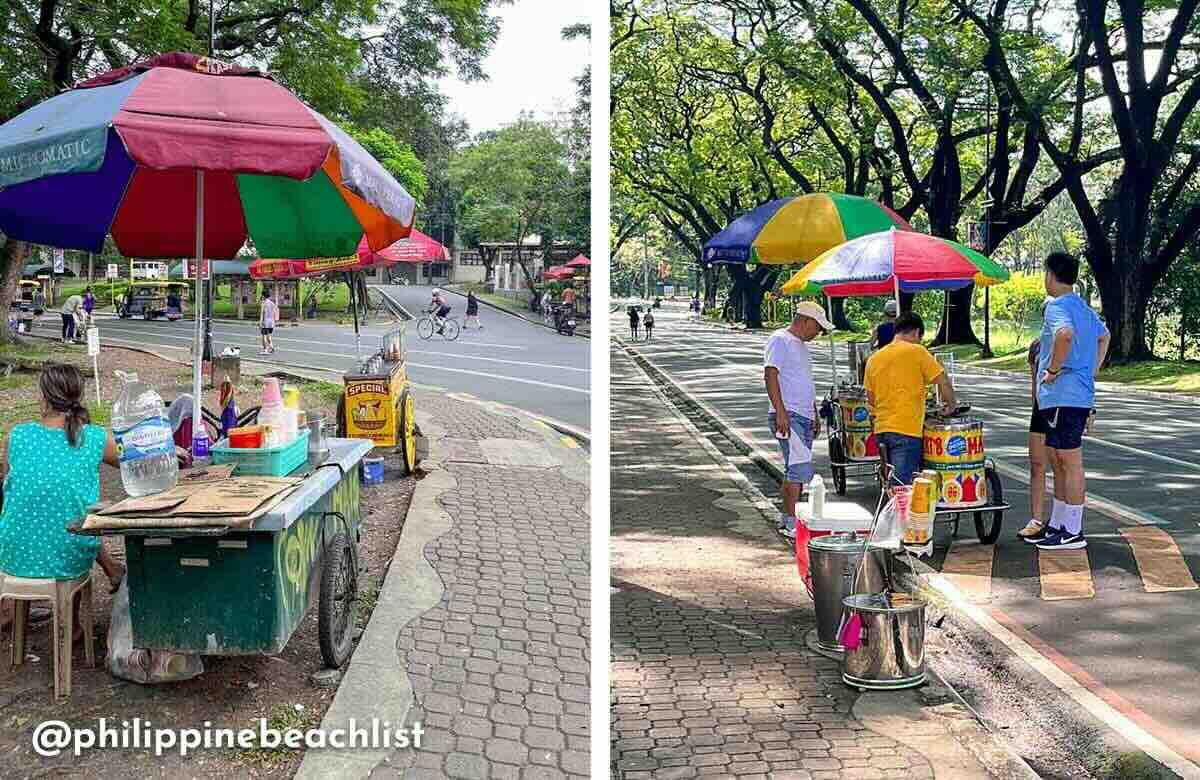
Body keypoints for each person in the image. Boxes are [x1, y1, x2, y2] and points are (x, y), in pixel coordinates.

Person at [0, 364, 127, 631]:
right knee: (75, 519)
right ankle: (71, 628)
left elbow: (10, 489)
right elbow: (129, 462)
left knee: (49, 510)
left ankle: (13, 610)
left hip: (13, 557)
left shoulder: (16, 436)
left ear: (43, 396)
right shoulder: (93, 437)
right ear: (78, 397)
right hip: (67, 557)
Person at [1026, 252, 1110, 551]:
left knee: (1069, 461)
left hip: (1064, 395)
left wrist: (1053, 370)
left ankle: (1073, 530)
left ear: (1050, 274)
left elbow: (1064, 335)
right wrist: (1091, 370)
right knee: (1058, 458)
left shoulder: (1057, 307)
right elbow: (1105, 337)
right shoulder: (1084, 308)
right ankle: (1061, 522)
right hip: (1070, 396)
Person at [864, 311, 957, 488]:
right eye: (920, 337)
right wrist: (951, 404)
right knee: (902, 487)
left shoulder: (873, 359)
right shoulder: (917, 352)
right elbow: (942, 379)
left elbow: (871, 399)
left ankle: (894, 513)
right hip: (906, 430)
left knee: (891, 484)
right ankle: (901, 516)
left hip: (881, 430)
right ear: (915, 332)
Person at [764, 301, 832, 538]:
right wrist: (780, 411)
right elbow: (770, 373)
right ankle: (790, 522)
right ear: (805, 321)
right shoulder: (780, 339)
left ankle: (793, 520)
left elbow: (804, 381)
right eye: (817, 327)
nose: (818, 333)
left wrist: (813, 412)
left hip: (803, 414)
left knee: (797, 468)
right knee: (797, 469)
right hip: (789, 414)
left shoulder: (801, 346)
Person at [1018, 299, 1055, 540]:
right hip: (1041, 409)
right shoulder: (1037, 346)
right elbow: (1034, 382)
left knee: (1062, 466)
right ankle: (1037, 519)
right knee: (1037, 464)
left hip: (1062, 407)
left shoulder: (1070, 341)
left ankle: (1062, 519)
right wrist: (1035, 406)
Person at [259, 288, 278, 354]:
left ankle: (265, 350)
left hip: (265, 322)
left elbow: (262, 313)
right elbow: (276, 311)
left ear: (263, 295)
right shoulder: (272, 303)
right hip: (271, 322)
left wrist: (260, 322)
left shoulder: (263, 303)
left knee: (264, 336)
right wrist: (275, 320)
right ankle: (271, 347)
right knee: (269, 336)